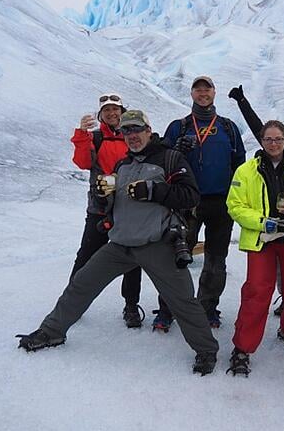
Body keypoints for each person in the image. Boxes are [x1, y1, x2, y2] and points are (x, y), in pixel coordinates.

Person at [16, 110, 219, 376]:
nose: (132, 135)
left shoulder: (170, 158)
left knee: (182, 301)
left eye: (136, 129)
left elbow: (190, 196)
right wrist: (103, 196)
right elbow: (113, 206)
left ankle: (206, 351)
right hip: (120, 244)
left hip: (157, 244)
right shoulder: (122, 166)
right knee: (81, 284)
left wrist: (154, 190)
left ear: (148, 129)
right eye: (126, 131)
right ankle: (52, 332)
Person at [225, 121, 284, 376]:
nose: (274, 144)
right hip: (262, 240)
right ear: (261, 141)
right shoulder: (246, 171)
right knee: (257, 291)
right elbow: (234, 205)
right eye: (268, 139)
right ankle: (242, 347)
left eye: (278, 139)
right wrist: (261, 222)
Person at [155, 76, 246, 330]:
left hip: (221, 203)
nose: (203, 93)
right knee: (176, 258)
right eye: (198, 89)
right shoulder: (179, 127)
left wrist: (235, 196)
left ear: (214, 93)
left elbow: (240, 163)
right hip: (186, 202)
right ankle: (168, 309)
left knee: (216, 261)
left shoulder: (228, 127)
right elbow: (162, 160)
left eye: (207, 89)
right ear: (192, 94)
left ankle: (208, 309)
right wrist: (177, 150)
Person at [228, 84, 284, 317]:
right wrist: (242, 102)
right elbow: (258, 127)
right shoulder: (257, 160)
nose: (274, 143)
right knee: (266, 279)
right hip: (268, 228)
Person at [69, 93, 143, 328]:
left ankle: (131, 306)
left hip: (129, 207)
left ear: (122, 112)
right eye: (107, 110)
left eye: (116, 109)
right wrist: (81, 135)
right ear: (100, 115)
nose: (112, 114)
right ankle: (71, 301)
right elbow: (83, 162)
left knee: (132, 260)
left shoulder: (133, 136)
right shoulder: (96, 138)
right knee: (86, 255)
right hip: (101, 207)